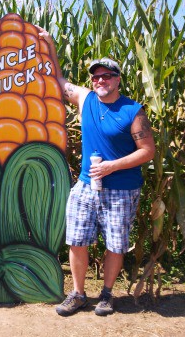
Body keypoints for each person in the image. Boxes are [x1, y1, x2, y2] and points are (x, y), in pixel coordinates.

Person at [38, 28, 155, 317]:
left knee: (116, 244)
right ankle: (78, 294)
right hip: (86, 185)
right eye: (96, 76)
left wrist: (111, 166)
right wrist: (50, 43)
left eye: (107, 76)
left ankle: (106, 294)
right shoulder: (86, 99)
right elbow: (57, 80)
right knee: (76, 239)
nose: (101, 80)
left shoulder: (133, 111)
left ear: (117, 80)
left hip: (123, 189)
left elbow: (147, 151)